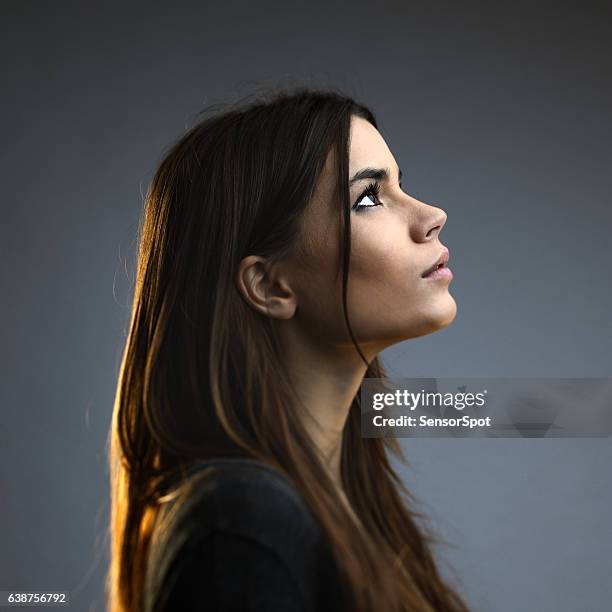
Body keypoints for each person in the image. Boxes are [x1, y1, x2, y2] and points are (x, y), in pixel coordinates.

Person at [106, 84, 468, 612]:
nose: (431, 214)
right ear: (270, 286)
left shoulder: (340, 506)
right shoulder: (244, 526)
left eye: (400, 185)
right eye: (368, 198)